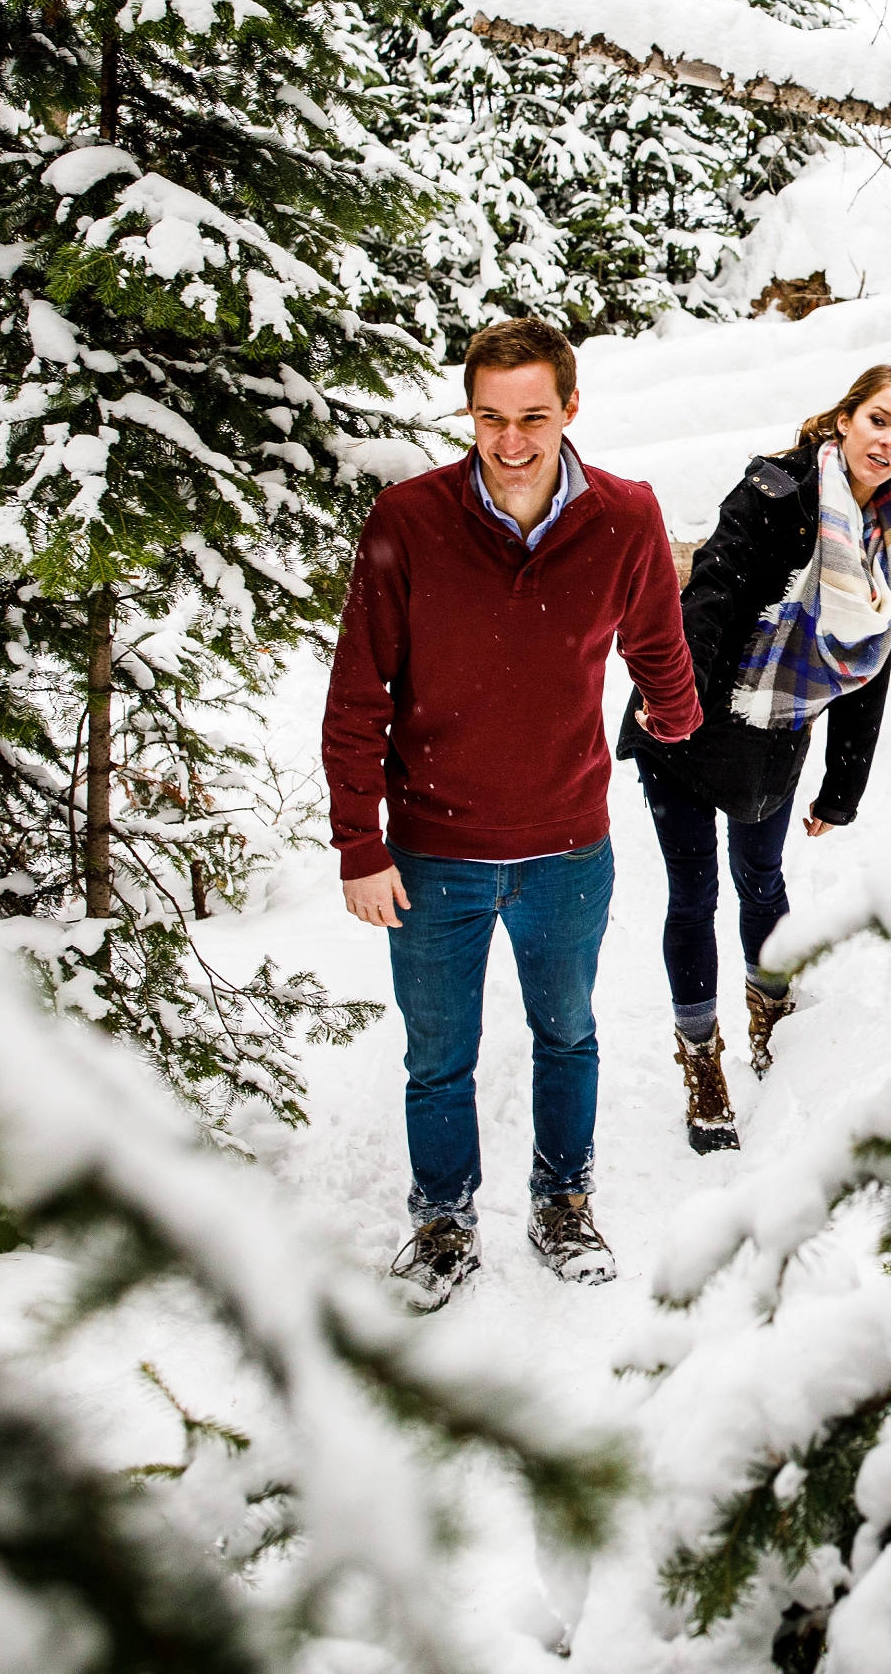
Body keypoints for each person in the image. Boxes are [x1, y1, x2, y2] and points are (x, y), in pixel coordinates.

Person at [324, 318, 702, 1310]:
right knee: (436, 1055)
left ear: (570, 407)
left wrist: (679, 718)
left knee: (566, 1033)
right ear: (470, 414)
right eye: (490, 416)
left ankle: (562, 1199)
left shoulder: (623, 516)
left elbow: (656, 642)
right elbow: (357, 690)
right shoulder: (409, 517)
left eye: (533, 414)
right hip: (433, 847)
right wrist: (358, 844)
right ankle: (443, 1218)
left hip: (566, 846)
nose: (512, 438)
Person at [621, 365, 891, 1152]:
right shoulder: (776, 489)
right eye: (878, 420)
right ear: (844, 418)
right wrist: (676, 698)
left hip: (775, 732)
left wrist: (844, 785)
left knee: (760, 879)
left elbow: (874, 656)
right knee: (693, 894)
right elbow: (714, 591)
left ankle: (773, 1018)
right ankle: (702, 1060)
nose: (889, 441)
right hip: (690, 715)